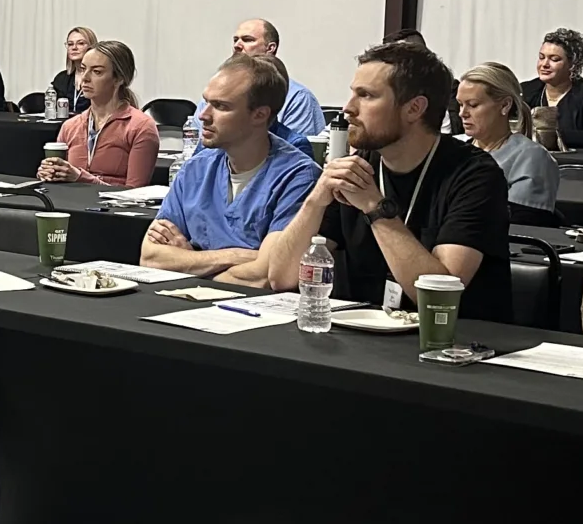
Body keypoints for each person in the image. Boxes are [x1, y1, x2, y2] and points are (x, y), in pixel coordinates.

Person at [260, 40, 513, 321]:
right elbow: (281, 278)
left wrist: (375, 206)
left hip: (452, 345)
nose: (348, 109)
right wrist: (315, 200)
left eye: (366, 96)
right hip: (360, 338)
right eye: (352, 94)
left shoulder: (474, 174)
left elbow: (440, 296)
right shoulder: (357, 166)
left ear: (414, 109)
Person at [139, 55, 319, 283]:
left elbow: (268, 274)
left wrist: (189, 260)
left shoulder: (297, 176)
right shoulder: (196, 169)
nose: (203, 116)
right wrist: (239, 256)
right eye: (206, 102)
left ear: (260, 115)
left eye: (221, 106)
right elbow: (151, 258)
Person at [37, 40, 157, 188]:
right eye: (82, 69)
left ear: (119, 79)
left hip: (113, 209)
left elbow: (136, 193)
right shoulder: (70, 126)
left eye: (97, 72)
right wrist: (50, 174)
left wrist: (80, 177)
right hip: (69, 206)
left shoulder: (141, 127)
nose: (85, 78)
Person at [456, 60, 560, 220]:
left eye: (473, 105)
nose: (462, 113)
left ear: (504, 105)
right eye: (460, 105)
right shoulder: (452, 148)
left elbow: (524, 225)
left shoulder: (531, 159)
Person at [520, 28, 583, 152]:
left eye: (554, 59)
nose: (544, 64)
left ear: (573, 64)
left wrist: (554, 136)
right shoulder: (524, 91)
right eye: (541, 57)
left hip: (574, 166)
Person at [231, 18, 324, 147]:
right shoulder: (218, 91)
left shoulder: (298, 97)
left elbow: (297, 155)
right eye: (235, 40)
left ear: (270, 48)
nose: (237, 46)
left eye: (247, 40)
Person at [46, 26, 95, 118]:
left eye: (80, 43)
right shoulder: (61, 79)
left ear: (91, 47)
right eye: (70, 44)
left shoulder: (98, 78)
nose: (74, 48)